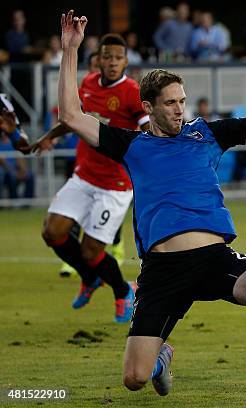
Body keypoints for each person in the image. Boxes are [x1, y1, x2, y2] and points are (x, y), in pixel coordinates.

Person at [56, 10, 246, 396]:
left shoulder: (205, 134)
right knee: (134, 378)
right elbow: (72, 115)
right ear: (149, 106)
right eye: (170, 103)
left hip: (213, 257)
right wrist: (69, 50)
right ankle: (160, 357)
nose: (179, 109)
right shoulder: (131, 144)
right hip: (162, 270)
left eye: (182, 101)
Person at [32, 33, 150, 322]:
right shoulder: (87, 84)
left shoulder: (132, 92)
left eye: (117, 58)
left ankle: (123, 291)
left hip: (115, 185)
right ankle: (90, 278)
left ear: (125, 61)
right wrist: (49, 137)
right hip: (84, 176)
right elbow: (73, 117)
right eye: (106, 57)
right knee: (52, 232)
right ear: (98, 60)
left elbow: (146, 126)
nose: (111, 62)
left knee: (91, 249)